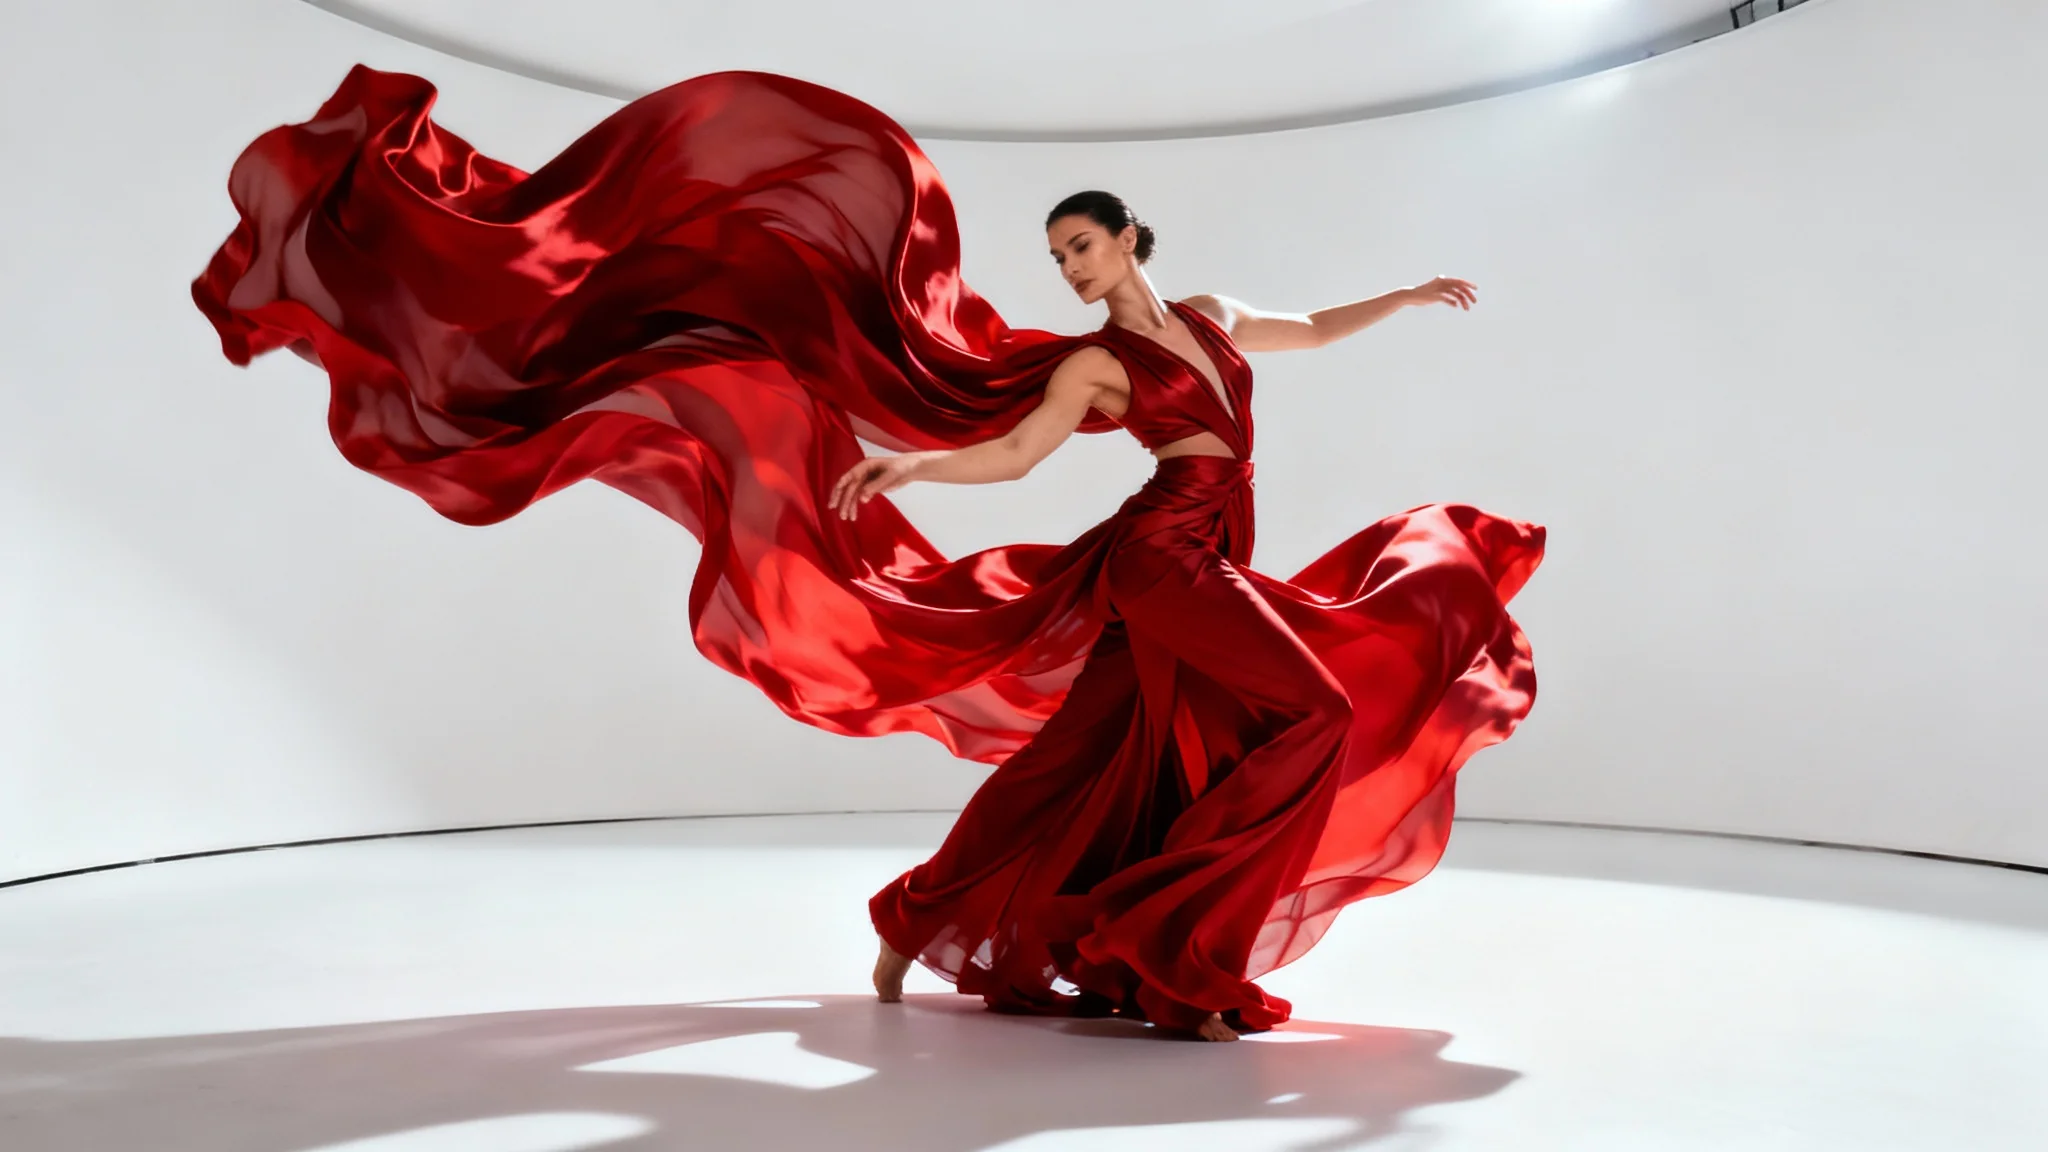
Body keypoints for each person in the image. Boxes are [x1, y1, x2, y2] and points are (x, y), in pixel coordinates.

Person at [194, 66, 1544, 1044]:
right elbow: (1017, 458)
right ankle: (1177, 953)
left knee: (1088, 756)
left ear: (1131, 236)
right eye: (1059, 256)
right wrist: (911, 465)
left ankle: (920, 917)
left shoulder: (1209, 316)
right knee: (1310, 708)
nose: (1072, 270)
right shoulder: (1095, 363)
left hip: (1210, 547)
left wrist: (1409, 297)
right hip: (1167, 559)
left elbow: (1302, 326)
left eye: (1084, 246)